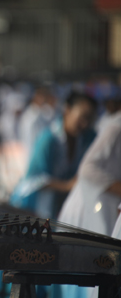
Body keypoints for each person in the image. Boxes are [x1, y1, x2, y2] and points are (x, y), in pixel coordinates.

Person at [56, 105, 121, 298]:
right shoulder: (116, 129)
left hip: (105, 205)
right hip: (92, 206)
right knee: (91, 272)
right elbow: (87, 169)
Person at [10, 92, 97, 220]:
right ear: (67, 110)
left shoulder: (88, 138)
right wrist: (66, 185)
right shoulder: (48, 139)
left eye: (89, 119)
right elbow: (33, 179)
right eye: (82, 117)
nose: (85, 123)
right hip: (36, 207)